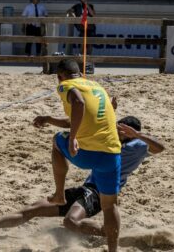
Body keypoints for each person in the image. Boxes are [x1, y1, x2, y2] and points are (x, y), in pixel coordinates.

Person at [0, 115, 165, 236]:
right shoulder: (108, 139)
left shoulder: (138, 146)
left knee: (70, 222)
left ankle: (110, 233)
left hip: (100, 193)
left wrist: (138, 135)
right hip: (86, 189)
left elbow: (161, 148)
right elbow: (75, 125)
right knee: (33, 208)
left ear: (129, 132)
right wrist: (49, 120)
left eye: (120, 129)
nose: (116, 130)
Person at [43, 59, 121, 251]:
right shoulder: (96, 86)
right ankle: (113, 250)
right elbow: (86, 115)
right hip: (112, 153)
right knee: (110, 207)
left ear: (60, 76)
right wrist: (48, 119)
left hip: (88, 153)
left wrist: (72, 139)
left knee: (56, 141)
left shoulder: (65, 86)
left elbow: (78, 102)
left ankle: (60, 194)